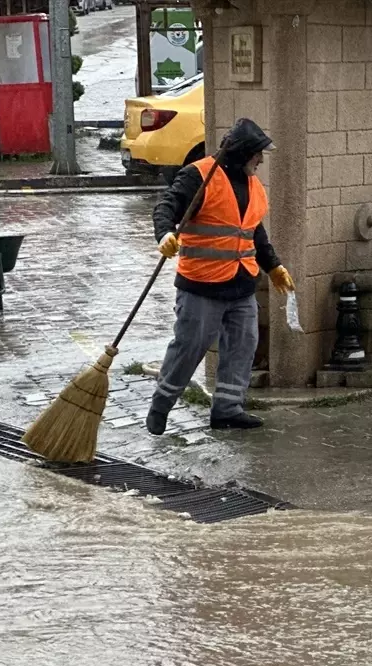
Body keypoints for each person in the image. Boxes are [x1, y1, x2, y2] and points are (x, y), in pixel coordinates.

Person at [146, 118, 294, 435]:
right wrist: (164, 235)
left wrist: (273, 265)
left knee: (243, 346)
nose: (262, 160)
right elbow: (166, 207)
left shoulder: (252, 184)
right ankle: (161, 405)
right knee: (189, 347)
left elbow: (254, 231)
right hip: (202, 285)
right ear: (243, 153)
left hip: (241, 285)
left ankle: (227, 409)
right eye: (258, 154)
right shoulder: (199, 176)